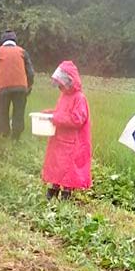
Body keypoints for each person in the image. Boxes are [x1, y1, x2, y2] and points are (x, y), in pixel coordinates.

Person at [39, 62, 91, 199]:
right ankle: (54, 188)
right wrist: (50, 113)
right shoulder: (64, 96)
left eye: (61, 82)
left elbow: (77, 119)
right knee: (57, 164)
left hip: (72, 141)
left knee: (68, 167)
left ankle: (66, 192)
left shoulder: (79, 98)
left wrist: (55, 117)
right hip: (59, 138)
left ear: (69, 81)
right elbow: (61, 112)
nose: (59, 86)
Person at [0, 30, 35, 139]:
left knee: (2, 112)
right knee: (19, 112)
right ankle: (16, 136)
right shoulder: (22, 51)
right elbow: (30, 72)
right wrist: (28, 86)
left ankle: (4, 135)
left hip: (3, 87)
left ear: (2, 41)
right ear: (15, 40)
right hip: (21, 87)